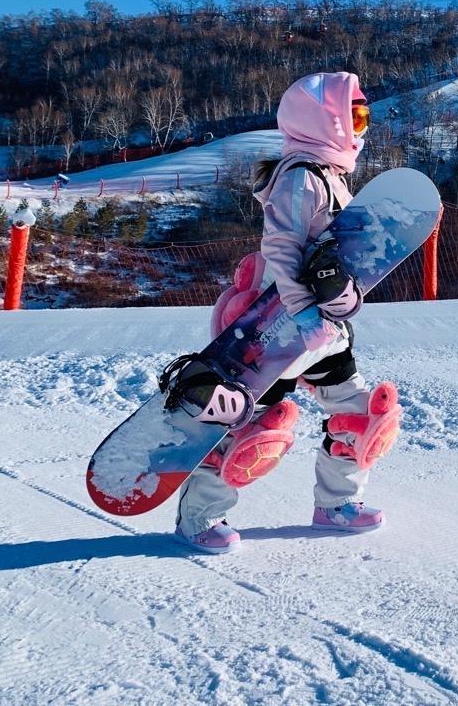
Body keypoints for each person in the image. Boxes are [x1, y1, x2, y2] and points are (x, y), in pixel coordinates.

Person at [172, 72, 385, 554]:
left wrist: (336, 308)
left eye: (364, 115)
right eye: (354, 115)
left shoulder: (329, 175)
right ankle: (199, 518)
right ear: (323, 120)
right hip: (278, 328)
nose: (361, 126)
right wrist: (302, 313)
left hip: (322, 327)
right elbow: (282, 248)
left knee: (359, 415)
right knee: (256, 427)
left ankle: (336, 505)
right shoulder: (300, 176)